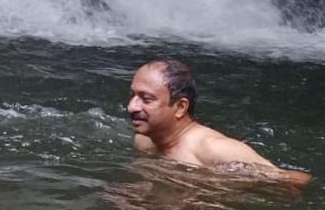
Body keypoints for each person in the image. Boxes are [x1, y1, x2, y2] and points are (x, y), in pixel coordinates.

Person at [128, 59, 311, 185]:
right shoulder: (144, 141)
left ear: (180, 107)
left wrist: (223, 187)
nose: (132, 107)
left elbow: (297, 179)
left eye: (146, 99)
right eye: (133, 95)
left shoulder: (215, 149)